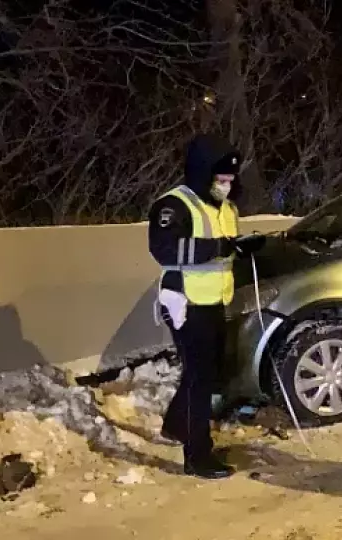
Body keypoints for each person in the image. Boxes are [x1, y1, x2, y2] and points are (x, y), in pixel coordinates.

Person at [146, 134, 265, 479]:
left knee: (207, 371)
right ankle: (197, 454)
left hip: (214, 300)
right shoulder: (174, 205)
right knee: (201, 378)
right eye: (220, 179)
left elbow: (226, 248)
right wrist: (220, 248)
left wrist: (242, 248)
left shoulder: (227, 207)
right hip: (184, 301)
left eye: (230, 180)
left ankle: (176, 425)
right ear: (202, 173)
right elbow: (165, 250)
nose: (226, 186)